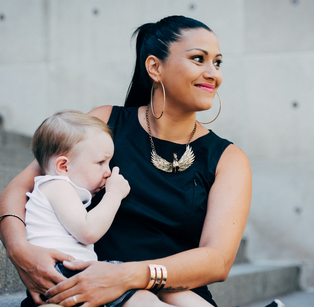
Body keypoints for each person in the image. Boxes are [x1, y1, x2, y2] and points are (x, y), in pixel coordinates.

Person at [0, 15, 252, 307]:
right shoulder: (105, 122)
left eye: (217, 63)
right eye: (199, 59)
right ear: (155, 67)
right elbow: (21, 187)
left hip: (173, 297)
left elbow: (217, 261)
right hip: (84, 292)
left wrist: (126, 275)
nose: (213, 74)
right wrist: (20, 251)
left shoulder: (228, 159)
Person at [23, 111, 216, 307]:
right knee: (143, 297)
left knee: (149, 293)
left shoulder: (58, 189)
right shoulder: (56, 186)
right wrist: (114, 194)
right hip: (65, 273)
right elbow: (88, 232)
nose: (108, 172)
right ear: (63, 166)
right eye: (100, 162)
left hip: (71, 272)